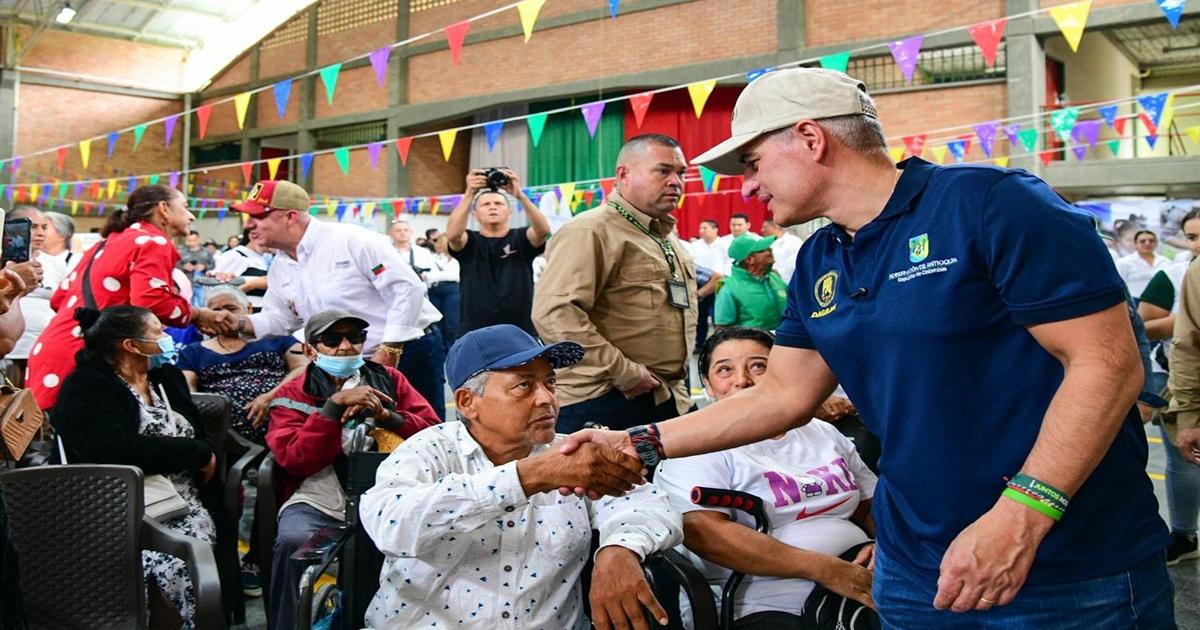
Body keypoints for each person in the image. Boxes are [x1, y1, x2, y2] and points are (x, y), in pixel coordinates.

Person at [561, 68, 1173, 628]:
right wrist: (633, 442)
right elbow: (781, 394)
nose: (745, 187)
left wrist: (1024, 514)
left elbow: (1107, 363)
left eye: (751, 162)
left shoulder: (992, 205)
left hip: (1068, 566)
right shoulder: (819, 259)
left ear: (810, 138)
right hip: (915, 571)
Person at [358, 324, 682, 630]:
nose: (547, 398)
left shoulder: (571, 452)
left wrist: (619, 550)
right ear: (468, 403)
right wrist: (527, 477)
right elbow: (391, 525)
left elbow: (648, 504)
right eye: (524, 385)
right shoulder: (429, 451)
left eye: (550, 383)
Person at [655, 327, 879, 629]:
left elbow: (872, 505)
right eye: (725, 370)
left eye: (759, 366)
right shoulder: (693, 446)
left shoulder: (822, 432)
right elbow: (703, 532)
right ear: (708, 385)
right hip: (765, 600)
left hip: (860, 577)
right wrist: (825, 569)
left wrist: (888, 545)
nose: (742, 380)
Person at [266, 309, 440, 630]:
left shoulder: (389, 379)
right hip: (319, 494)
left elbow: (434, 434)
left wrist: (389, 416)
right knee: (293, 543)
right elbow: (295, 459)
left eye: (355, 338)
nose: (346, 347)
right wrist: (333, 408)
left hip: (385, 492)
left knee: (417, 547)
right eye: (331, 340)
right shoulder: (293, 393)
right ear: (309, 350)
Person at [52, 305, 219, 627]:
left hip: (183, 502)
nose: (168, 337)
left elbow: (197, 432)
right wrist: (194, 453)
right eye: (159, 332)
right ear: (131, 345)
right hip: (115, 504)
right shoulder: (86, 386)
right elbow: (110, 449)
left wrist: (197, 451)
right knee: (156, 562)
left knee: (194, 540)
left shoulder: (166, 378)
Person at [225, 180, 447, 419]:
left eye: (257, 217)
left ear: (289, 216)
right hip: (347, 360)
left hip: (407, 350)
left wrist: (389, 350)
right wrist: (238, 323)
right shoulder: (281, 265)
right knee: (365, 441)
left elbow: (407, 288)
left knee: (423, 430)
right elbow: (282, 318)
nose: (249, 226)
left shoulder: (352, 240)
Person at [533, 134, 697, 433]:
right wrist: (626, 373)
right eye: (663, 171)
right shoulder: (590, 230)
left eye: (681, 173)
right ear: (624, 174)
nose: (676, 181)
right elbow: (555, 313)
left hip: (668, 395)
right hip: (607, 398)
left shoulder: (664, 235)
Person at [29, 185, 225, 411]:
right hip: (89, 360)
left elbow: (59, 299)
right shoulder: (154, 241)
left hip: (55, 348)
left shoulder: (107, 242)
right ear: (164, 209)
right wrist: (198, 314)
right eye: (185, 207)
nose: (191, 215)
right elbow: (151, 301)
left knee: (60, 441)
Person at [177, 286, 305, 443]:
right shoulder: (193, 352)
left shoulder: (276, 337)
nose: (223, 316)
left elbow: (303, 367)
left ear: (249, 308)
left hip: (281, 416)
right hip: (224, 432)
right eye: (215, 310)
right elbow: (189, 394)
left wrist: (271, 396)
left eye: (231, 308)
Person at [446, 168, 551, 337]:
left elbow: (543, 230)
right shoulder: (470, 241)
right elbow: (453, 235)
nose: (492, 207)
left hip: (519, 328)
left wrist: (519, 195)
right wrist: (469, 194)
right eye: (486, 204)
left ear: (509, 211)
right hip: (475, 329)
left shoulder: (521, 238)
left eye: (499, 204)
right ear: (475, 213)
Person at [1163, 209, 1200, 566]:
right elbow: (1186, 345)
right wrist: (1187, 414)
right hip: (1176, 378)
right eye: (1191, 237)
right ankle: (1184, 533)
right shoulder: (1190, 272)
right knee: (1183, 464)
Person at [713, 235, 788, 331]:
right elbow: (722, 328)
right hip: (751, 343)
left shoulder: (774, 278)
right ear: (749, 259)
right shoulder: (728, 288)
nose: (770, 250)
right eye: (764, 249)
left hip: (782, 342)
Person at [5, 207, 49, 362]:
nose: (40, 233)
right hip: (12, 351)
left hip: (41, 344)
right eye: (33, 226)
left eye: (44, 227)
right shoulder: (5, 266)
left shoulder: (55, 262)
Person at [688, 219, 729, 348]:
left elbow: (728, 264)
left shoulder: (725, 244)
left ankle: (720, 343)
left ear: (715, 229)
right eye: (700, 228)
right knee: (700, 316)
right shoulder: (695, 246)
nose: (701, 231)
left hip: (722, 283)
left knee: (718, 315)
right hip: (701, 284)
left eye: (705, 228)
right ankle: (699, 343)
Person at [211, 227, 271, 309]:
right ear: (253, 236)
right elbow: (219, 291)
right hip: (243, 312)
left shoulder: (262, 258)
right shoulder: (236, 255)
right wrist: (252, 285)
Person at [426, 234, 461, 350]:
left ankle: (452, 348)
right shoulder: (431, 258)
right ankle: (440, 348)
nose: (439, 245)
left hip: (451, 289)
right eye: (437, 242)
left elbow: (454, 275)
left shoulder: (455, 258)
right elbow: (427, 276)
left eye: (442, 242)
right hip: (434, 290)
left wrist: (434, 276)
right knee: (437, 321)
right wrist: (433, 276)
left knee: (452, 322)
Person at [1116, 230, 1171, 298]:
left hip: (1161, 301)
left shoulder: (1166, 262)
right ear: (1135, 244)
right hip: (1135, 301)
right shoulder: (1124, 262)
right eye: (1142, 241)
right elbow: (1119, 285)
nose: (1147, 244)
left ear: (1156, 243)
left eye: (1151, 241)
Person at [40, 211, 78, 287]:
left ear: (62, 236)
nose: (39, 232)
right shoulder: (30, 257)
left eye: (44, 228)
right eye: (35, 227)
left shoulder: (75, 260)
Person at [176, 230, 214, 306]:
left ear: (198, 239)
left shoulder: (206, 252)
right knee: (187, 304)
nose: (192, 242)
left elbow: (213, 265)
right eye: (189, 240)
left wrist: (204, 267)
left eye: (194, 240)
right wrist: (184, 267)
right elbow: (175, 266)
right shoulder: (181, 252)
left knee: (203, 304)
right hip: (187, 282)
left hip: (203, 283)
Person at [761, 219, 804, 284]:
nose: (762, 230)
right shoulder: (767, 243)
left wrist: (778, 273)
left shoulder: (793, 242)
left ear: (775, 226)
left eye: (765, 227)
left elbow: (796, 263)